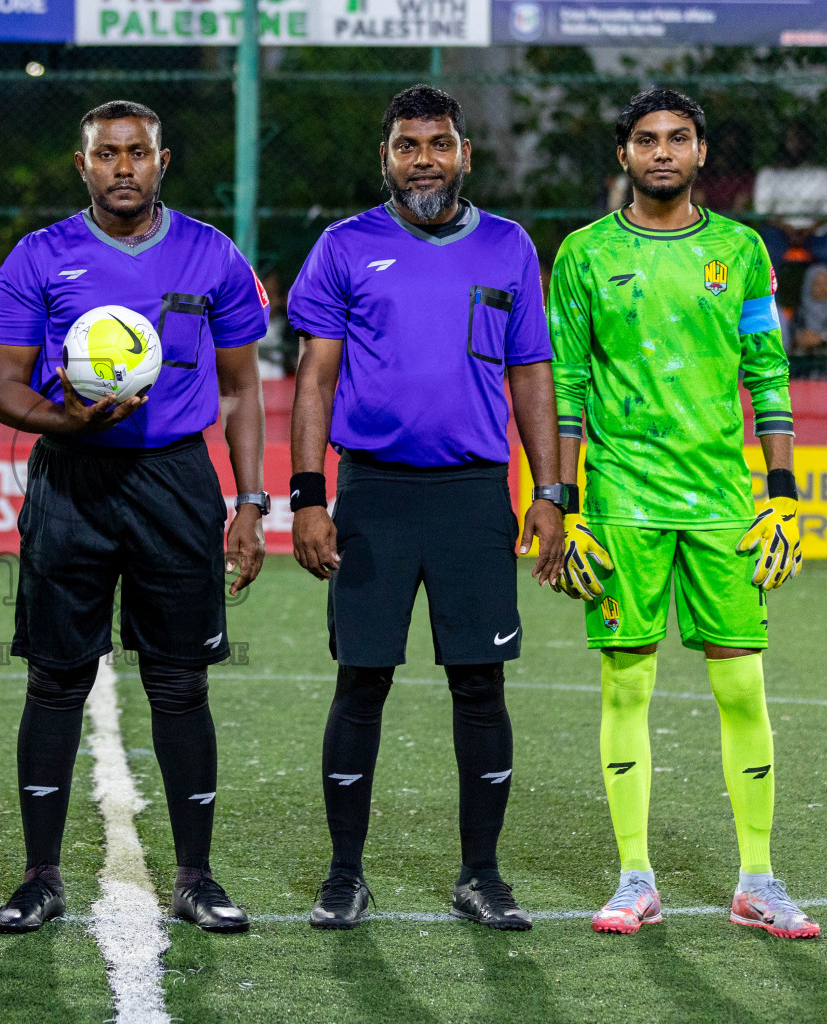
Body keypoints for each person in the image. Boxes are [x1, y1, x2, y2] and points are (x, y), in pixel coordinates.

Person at [0, 100, 268, 934]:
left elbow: (245, 388)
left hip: (175, 479)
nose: (121, 168)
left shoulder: (210, 253)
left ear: (161, 160)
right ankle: (40, 878)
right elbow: (2, 386)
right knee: (57, 680)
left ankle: (197, 877)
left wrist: (251, 502)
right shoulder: (39, 257)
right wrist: (65, 420)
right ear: (84, 166)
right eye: (105, 154)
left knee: (179, 683)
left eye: (136, 153)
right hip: (71, 476)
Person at [288, 84, 565, 932]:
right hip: (372, 490)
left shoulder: (512, 247)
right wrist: (307, 494)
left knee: (480, 685)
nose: (423, 161)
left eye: (438, 144)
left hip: (475, 495)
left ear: (464, 154)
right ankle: (344, 877)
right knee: (361, 680)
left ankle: (481, 876)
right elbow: (316, 378)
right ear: (387, 159)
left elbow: (532, 377)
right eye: (407, 146)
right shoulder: (343, 247)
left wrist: (552, 492)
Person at [548, 89, 819, 939]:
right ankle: (636, 878)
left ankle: (758, 881)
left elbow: (768, 374)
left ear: (701, 153)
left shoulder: (741, 251)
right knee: (627, 683)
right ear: (623, 155)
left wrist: (781, 493)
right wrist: (564, 503)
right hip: (623, 498)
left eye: (678, 138)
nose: (661, 151)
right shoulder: (584, 254)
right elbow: (566, 388)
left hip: (723, 503)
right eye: (645, 139)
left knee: (743, 684)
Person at [754, 124, 827, 293]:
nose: (795, 145)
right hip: (778, 230)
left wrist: (810, 228)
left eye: (800, 140)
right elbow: (762, 211)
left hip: (816, 230)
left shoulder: (823, 175)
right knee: (764, 252)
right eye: (791, 140)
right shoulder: (769, 174)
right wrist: (787, 227)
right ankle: (770, 308)